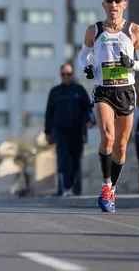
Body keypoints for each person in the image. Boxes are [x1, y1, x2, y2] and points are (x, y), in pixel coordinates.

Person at [78, 0, 139, 212]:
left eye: (118, 1)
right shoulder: (94, 30)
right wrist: (87, 67)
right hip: (103, 91)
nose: (114, 5)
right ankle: (105, 185)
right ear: (103, 4)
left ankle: (112, 189)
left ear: (125, 4)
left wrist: (132, 64)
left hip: (126, 90)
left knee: (121, 145)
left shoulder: (135, 30)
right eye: (110, 1)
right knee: (108, 137)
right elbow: (82, 56)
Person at [44, 63, 95, 198]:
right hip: (60, 132)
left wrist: (91, 120)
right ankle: (64, 188)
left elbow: (88, 108)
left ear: (72, 75)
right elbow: (49, 113)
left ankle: (75, 189)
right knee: (63, 159)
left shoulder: (79, 90)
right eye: (63, 74)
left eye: (69, 74)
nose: (66, 76)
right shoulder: (55, 92)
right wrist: (47, 132)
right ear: (60, 75)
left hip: (77, 131)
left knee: (76, 160)